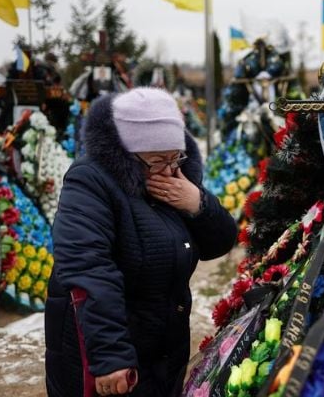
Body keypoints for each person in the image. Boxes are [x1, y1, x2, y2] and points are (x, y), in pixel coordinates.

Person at [44, 88, 237, 396]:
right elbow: (89, 267)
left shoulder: (175, 179)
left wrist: (198, 204)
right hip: (110, 356)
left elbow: (222, 242)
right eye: (158, 160)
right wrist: (110, 356)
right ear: (128, 154)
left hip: (163, 353)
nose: (170, 169)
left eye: (176, 157)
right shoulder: (89, 180)